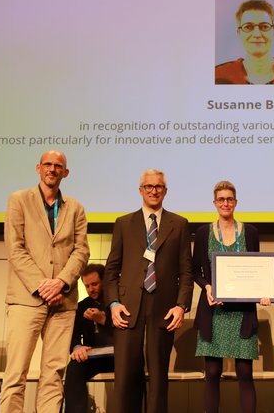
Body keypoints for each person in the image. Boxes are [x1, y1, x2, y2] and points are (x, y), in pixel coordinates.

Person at [2, 150, 90, 413]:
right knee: (16, 373)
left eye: (58, 166)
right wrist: (44, 285)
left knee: (53, 375)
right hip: (26, 299)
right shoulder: (19, 200)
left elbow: (82, 251)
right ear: (38, 168)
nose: (53, 169)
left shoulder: (75, 207)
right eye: (48, 165)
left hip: (63, 301)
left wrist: (61, 282)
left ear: (66, 173)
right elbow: (15, 249)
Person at [104, 169, 194, 413]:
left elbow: (186, 271)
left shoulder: (180, 224)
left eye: (159, 187)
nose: (154, 191)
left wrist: (181, 305)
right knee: (124, 379)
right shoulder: (124, 223)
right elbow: (111, 269)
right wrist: (113, 303)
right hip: (126, 308)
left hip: (164, 308)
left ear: (165, 191)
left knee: (158, 378)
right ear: (140, 190)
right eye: (149, 186)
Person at [193, 181, 270, 413]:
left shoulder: (250, 232)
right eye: (221, 199)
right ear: (214, 203)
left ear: (235, 202)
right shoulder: (204, 232)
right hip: (213, 309)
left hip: (243, 311)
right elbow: (196, 270)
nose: (225, 203)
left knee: (245, 373)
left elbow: (259, 268)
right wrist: (206, 286)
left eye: (229, 199)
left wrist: (264, 291)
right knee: (213, 372)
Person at [64, 263, 115, 413]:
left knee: (132, 367)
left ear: (104, 280)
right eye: (87, 286)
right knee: (73, 368)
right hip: (94, 358)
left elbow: (129, 331)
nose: (91, 289)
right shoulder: (82, 307)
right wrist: (76, 347)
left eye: (94, 284)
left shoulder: (117, 303)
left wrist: (104, 320)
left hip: (119, 357)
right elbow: (72, 335)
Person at [215, 0, 274, 85]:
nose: (257, 34)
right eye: (248, 27)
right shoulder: (219, 76)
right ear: (239, 33)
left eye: (265, 27)